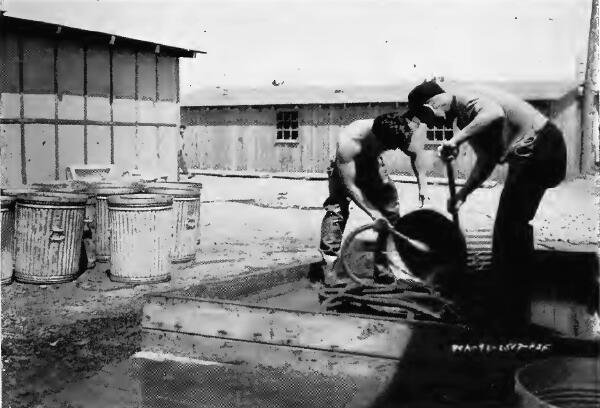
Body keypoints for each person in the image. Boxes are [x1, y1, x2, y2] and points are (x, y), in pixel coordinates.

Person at [406, 80, 567, 331]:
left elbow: (493, 113)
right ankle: (513, 297)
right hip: (538, 150)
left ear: (432, 105)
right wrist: (463, 194)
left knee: (509, 227)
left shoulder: (467, 99)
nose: (430, 124)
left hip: (539, 147)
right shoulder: (464, 116)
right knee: (511, 227)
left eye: (425, 117)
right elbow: (488, 159)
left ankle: (513, 304)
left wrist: (455, 141)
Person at [318, 112, 429, 285]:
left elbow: (416, 154)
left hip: (373, 162)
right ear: (377, 137)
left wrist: (422, 184)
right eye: (388, 146)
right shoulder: (350, 142)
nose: (392, 150)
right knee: (337, 209)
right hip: (346, 166)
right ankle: (329, 266)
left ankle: (382, 269)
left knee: (390, 210)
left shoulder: (400, 130)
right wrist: (373, 213)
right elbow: (351, 186)